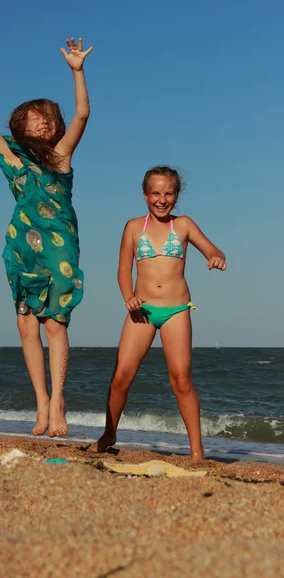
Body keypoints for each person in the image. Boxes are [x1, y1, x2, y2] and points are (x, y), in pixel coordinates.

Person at [0, 38, 93, 438]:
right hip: (22, 248)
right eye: (34, 118)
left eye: (47, 116)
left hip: (61, 246)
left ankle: (59, 401)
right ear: (21, 126)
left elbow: (82, 114)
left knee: (55, 324)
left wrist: (77, 71)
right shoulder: (12, 159)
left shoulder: (62, 154)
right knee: (27, 325)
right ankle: (41, 404)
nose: (43, 122)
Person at [92, 166, 226, 461]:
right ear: (145, 195)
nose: (162, 199)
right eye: (156, 193)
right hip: (142, 310)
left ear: (176, 196)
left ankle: (196, 451)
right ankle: (109, 433)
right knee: (121, 377)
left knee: (181, 379)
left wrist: (216, 257)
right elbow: (123, 269)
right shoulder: (132, 227)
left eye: (168, 193)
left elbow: (213, 249)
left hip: (177, 310)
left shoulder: (185, 225)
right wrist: (128, 295)